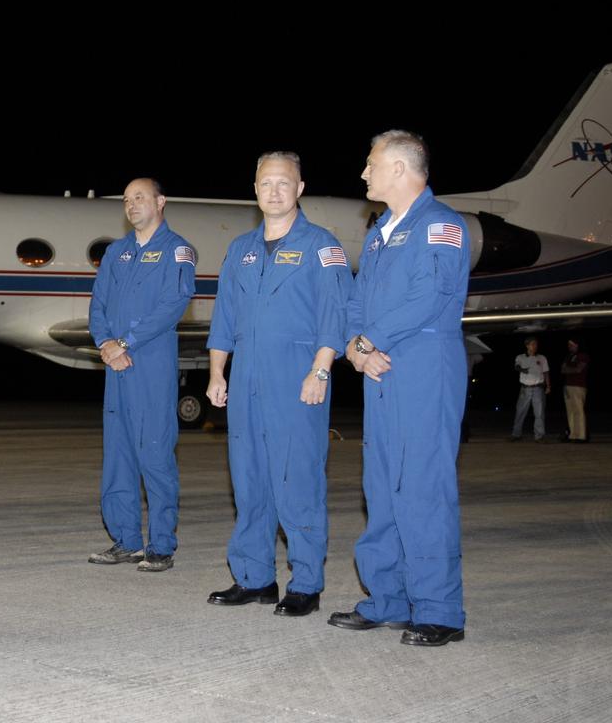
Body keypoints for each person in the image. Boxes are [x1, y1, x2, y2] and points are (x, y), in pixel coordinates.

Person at [330, 129, 469, 647]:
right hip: (379, 368)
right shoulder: (379, 232)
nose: (364, 173)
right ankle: (387, 600)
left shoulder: (442, 226)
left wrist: (369, 341)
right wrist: (354, 346)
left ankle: (439, 611)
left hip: (423, 364)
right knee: (382, 488)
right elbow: (357, 300)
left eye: (371, 164)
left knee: (423, 489)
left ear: (401, 169)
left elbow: (430, 295)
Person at [205, 151, 351, 617]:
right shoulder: (240, 249)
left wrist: (321, 369)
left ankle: (306, 582)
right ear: (254, 189)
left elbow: (337, 314)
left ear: (300, 188)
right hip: (245, 375)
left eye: (283, 183)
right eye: (265, 183)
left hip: (297, 376)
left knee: (297, 480)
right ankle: (254, 577)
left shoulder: (321, 246)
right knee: (248, 481)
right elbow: (224, 318)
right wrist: (215, 373)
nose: (273, 191)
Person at [87, 178, 196, 572]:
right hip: (115, 365)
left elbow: (173, 305)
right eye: (127, 200)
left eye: (140, 198)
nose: (132, 205)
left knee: (154, 452)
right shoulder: (116, 253)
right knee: (118, 454)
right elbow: (97, 304)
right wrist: (105, 344)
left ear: (161, 202)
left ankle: (161, 544)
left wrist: (126, 343)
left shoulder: (177, 250)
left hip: (149, 363)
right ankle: (126, 539)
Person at [511, 336, 550, 442]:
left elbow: (546, 372)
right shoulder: (521, 357)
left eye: (536, 344)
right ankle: (516, 434)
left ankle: (539, 436)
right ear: (527, 345)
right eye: (532, 344)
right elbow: (516, 366)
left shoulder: (542, 358)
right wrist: (522, 369)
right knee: (520, 411)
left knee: (539, 413)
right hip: (525, 388)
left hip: (538, 388)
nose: (535, 346)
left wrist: (548, 386)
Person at [560, 339, 589, 442]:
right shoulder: (569, 356)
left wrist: (568, 369)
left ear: (577, 345)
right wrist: (571, 369)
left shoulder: (582, 355)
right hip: (568, 386)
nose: (569, 346)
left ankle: (581, 435)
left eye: (571, 344)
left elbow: (579, 369)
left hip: (578, 386)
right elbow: (563, 369)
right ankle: (573, 435)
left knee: (579, 411)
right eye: (568, 344)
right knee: (571, 412)